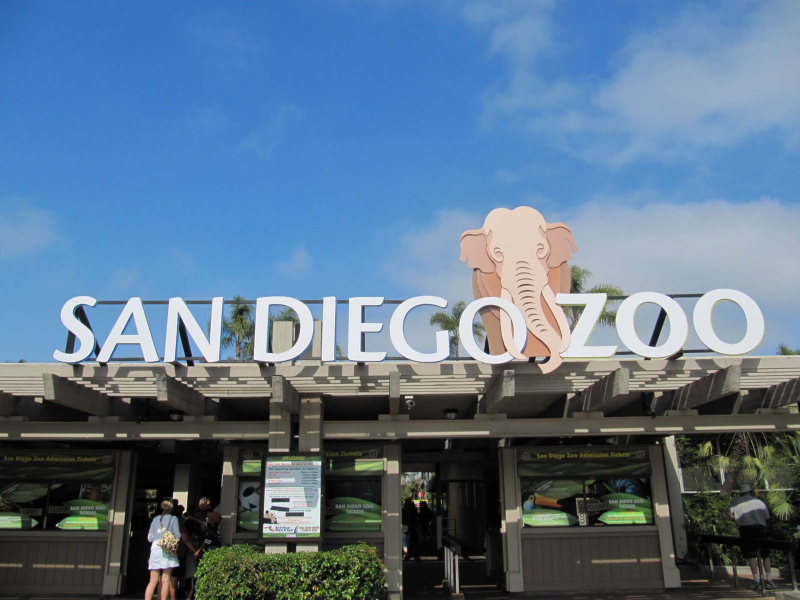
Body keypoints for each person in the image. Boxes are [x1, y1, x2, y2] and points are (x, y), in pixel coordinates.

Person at [727, 484, 775, 590]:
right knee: (765, 555)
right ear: (750, 492)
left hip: (745, 529)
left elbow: (729, 513)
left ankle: (757, 581)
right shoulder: (758, 502)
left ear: (740, 493)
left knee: (751, 555)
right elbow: (767, 516)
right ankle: (769, 580)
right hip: (760, 528)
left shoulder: (736, 502)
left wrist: (736, 519)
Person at [146, 498, 181, 600]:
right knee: (165, 580)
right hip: (167, 550)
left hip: (155, 549)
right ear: (172, 508)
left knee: (152, 581)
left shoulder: (155, 519)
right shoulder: (173, 518)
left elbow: (149, 538)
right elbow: (178, 535)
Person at [170, 505, 201, 600]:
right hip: (177, 553)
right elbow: (186, 540)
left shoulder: (163, 523)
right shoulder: (179, 525)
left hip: (164, 553)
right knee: (174, 578)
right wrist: (195, 551)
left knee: (165, 579)